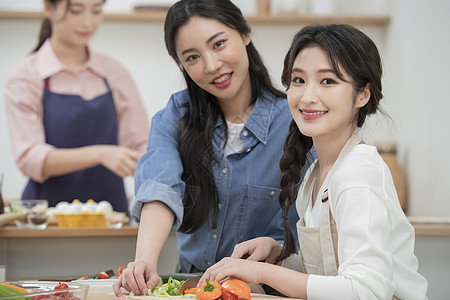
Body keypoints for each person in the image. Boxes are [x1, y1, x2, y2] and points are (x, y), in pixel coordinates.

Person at [200, 24, 428, 299]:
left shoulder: (359, 173)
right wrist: (279, 255)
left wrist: (263, 273)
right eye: (298, 80)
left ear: (362, 94)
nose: (307, 97)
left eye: (328, 81)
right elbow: (330, 273)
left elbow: (365, 291)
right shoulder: (316, 174)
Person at [113, 0, 314, 296]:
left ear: (245, 34)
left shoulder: (298, 120)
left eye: (218, 44)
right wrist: (144, 261)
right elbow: (159, 188)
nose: (211, 65)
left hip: (268, 291)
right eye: (192, 57)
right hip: (193, 288)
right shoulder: (174, 117)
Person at [4, 0, 149, 214]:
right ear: (48, 8)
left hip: (111, 216)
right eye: (76, 10)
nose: (88, 22)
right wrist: (99, 154)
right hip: (46, 218)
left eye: (97, 10)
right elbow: (30, 159)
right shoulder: (25, 76)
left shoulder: (114, 72)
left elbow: (141, 144)